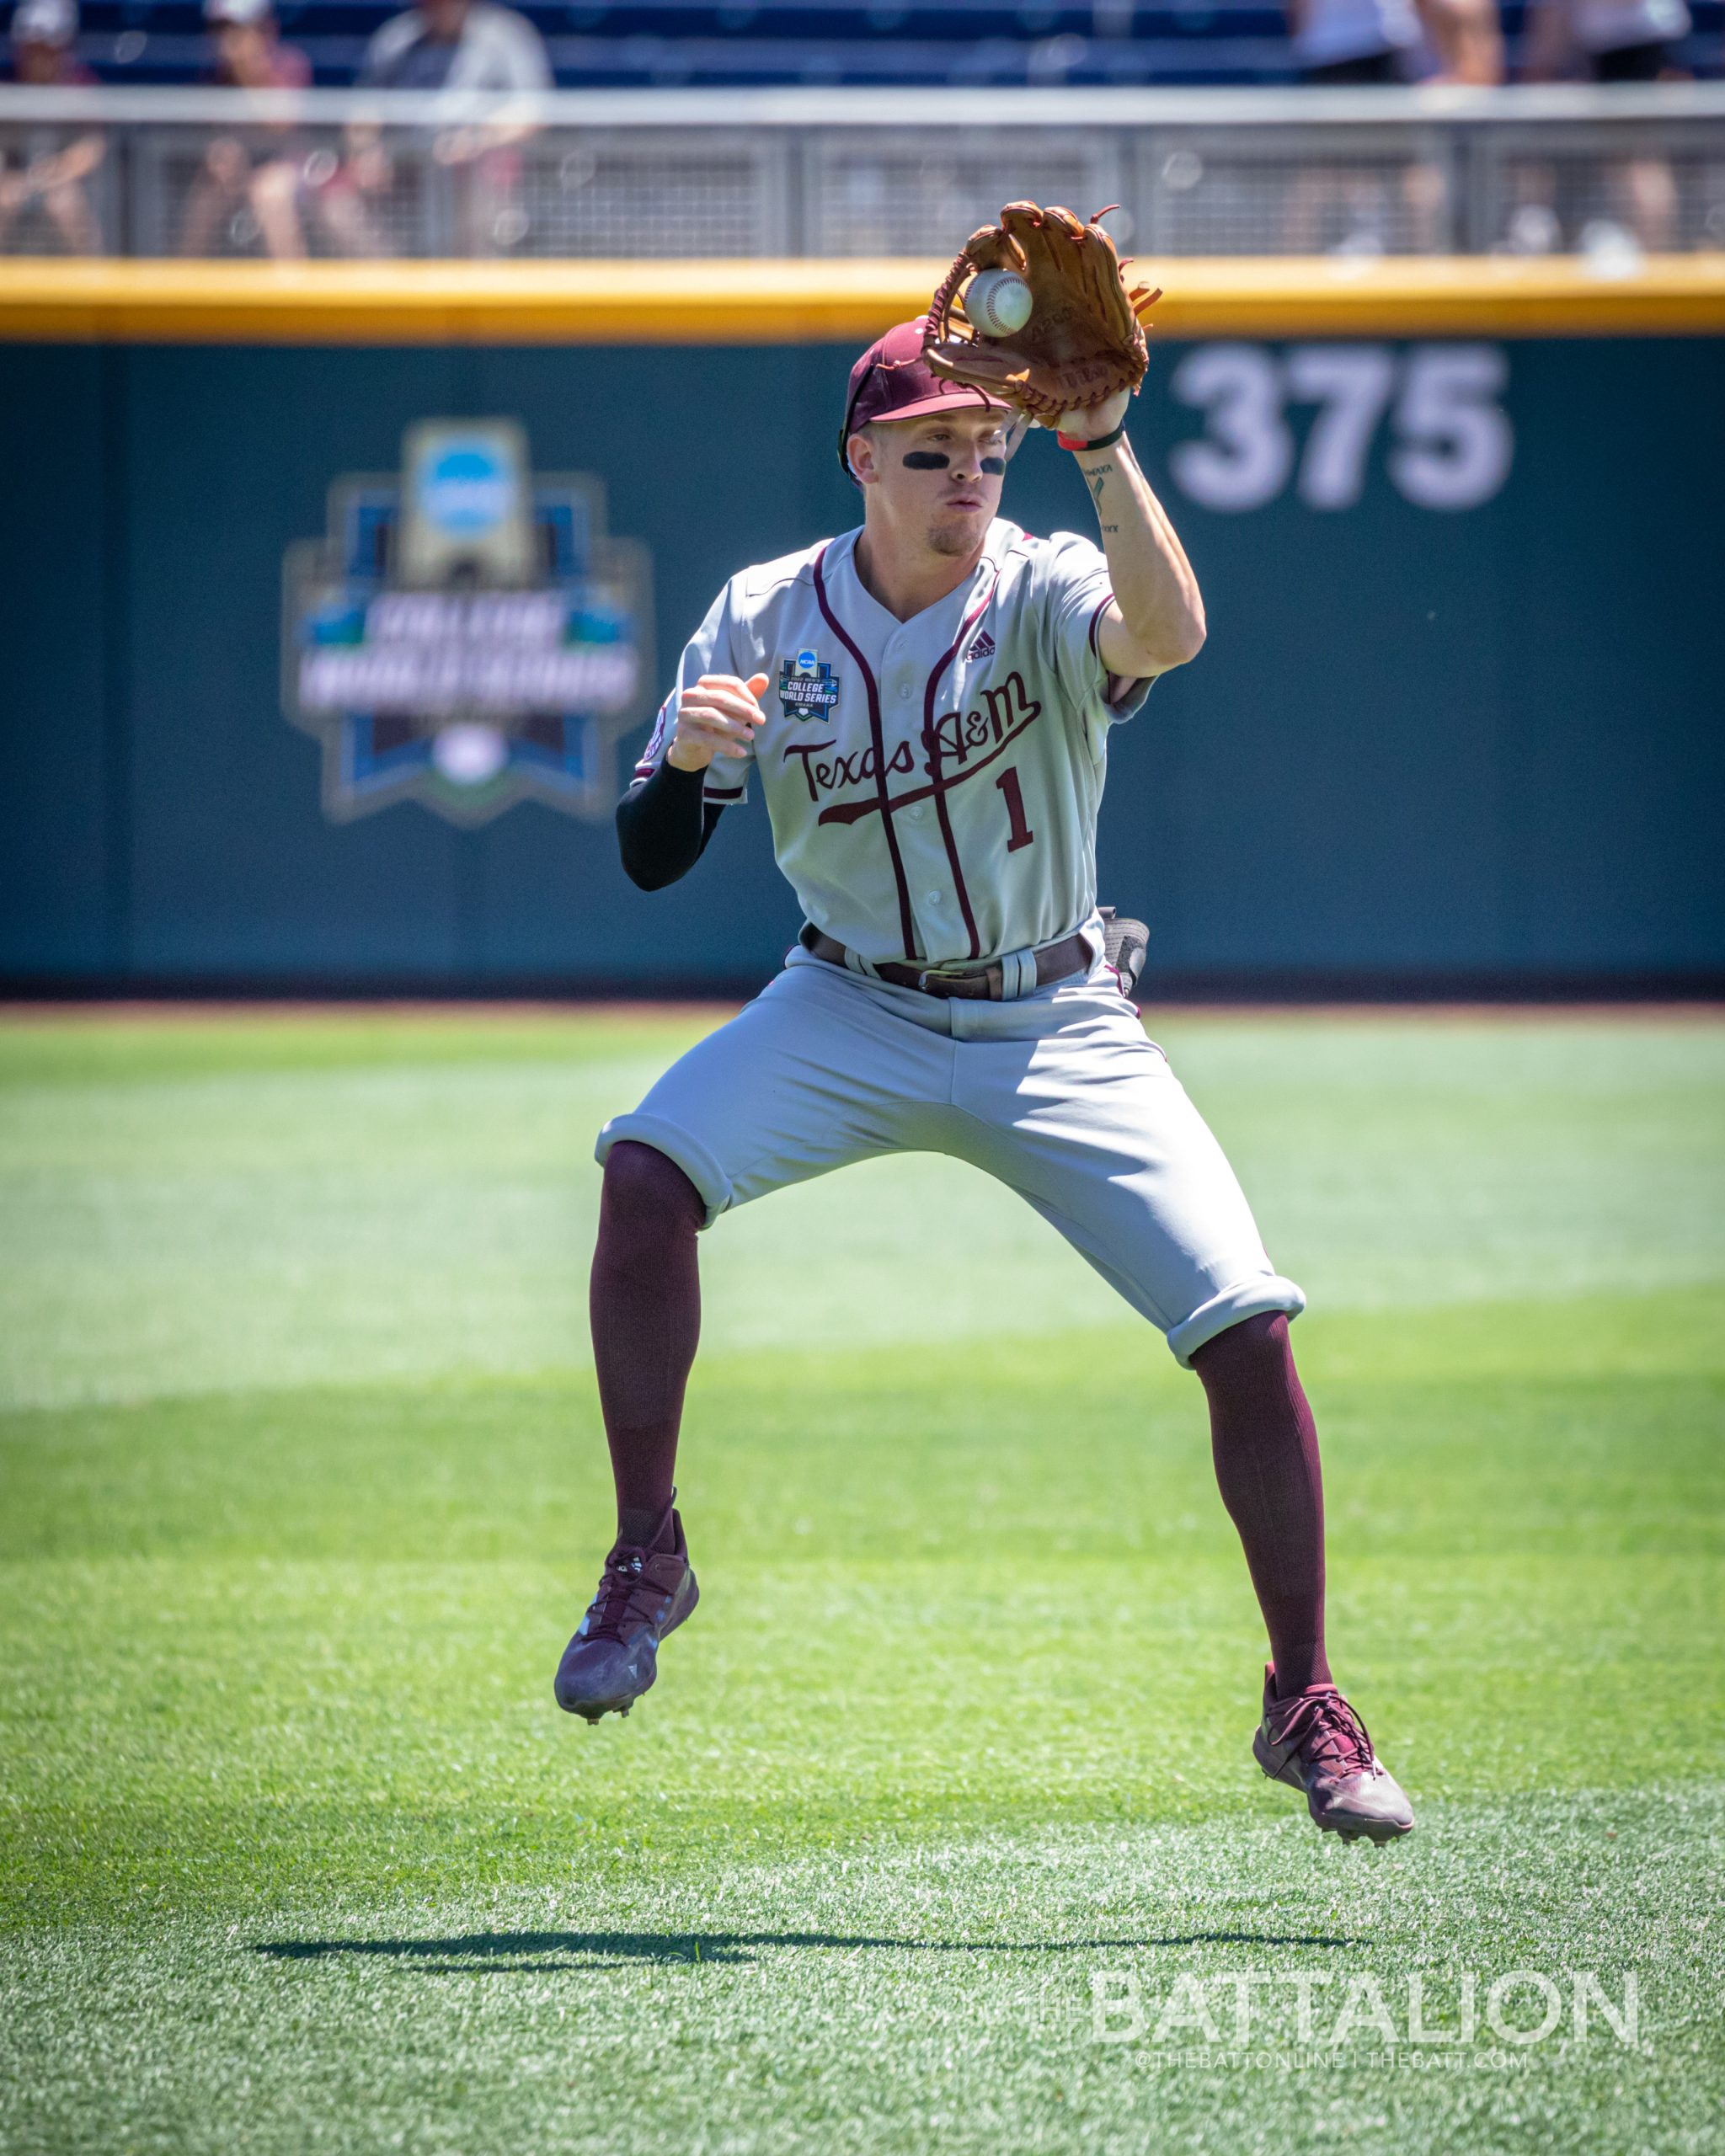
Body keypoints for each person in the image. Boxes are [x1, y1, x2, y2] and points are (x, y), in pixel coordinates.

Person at [551, 316, 1417, 1848]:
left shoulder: (1045, 578)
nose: (968, 473)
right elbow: (647, 857)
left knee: (1243, 1315)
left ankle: (1304, 1702)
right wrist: (685, 763)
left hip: (1055, 1016)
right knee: (643, 1172)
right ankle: (646, 1561)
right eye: (935, 449)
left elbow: (1166, 638)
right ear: (861, 458)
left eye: (988, 447)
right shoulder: (764, 614)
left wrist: (1098, 448)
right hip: (844, 1003)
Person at [344, 0, 550, 253]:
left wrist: (477, 140)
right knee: (334, 193)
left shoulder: (504, 35)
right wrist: (366, 151)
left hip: (481, 172)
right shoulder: (396, 39)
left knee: (464, 178)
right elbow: (365, 107)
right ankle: (387, 283)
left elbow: (532, 112)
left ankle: (469, 284)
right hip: (405, 171)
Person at [177, 0, 313, 260]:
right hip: (235, 176)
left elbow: (281, 124)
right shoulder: (213, 77)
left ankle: (292, 293)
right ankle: (184, 292)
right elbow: (209, 134)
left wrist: (247, 72)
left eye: (236, 28)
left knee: (271, 194)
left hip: (291, 170)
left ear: (263, 29)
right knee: (204, 200)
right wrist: (218, 153)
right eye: (218, 29)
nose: (226, 39)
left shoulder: (289, 64)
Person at [0, 0, 104, 255]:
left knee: (66, 204)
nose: (39, 56)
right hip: (17, 179)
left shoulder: (80, 89)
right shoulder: (8, 89)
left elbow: (92, 147)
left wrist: (57, 172)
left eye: (47, 48)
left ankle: (94, 286)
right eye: (32, 47)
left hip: (61, 181)